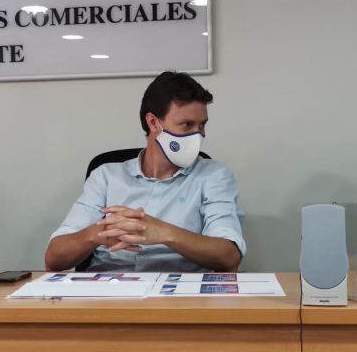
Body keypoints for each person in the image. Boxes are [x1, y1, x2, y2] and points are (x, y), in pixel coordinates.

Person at [45, 71, 245, 272]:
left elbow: (228, 257)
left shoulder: (214, 175)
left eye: (202, 125)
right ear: (153, 123)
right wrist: (97, 233)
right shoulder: (105, 176)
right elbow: (54, 259)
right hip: (108, 293)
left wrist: (164, 232)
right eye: (187, 125)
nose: (199, 134)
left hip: (180, 294)